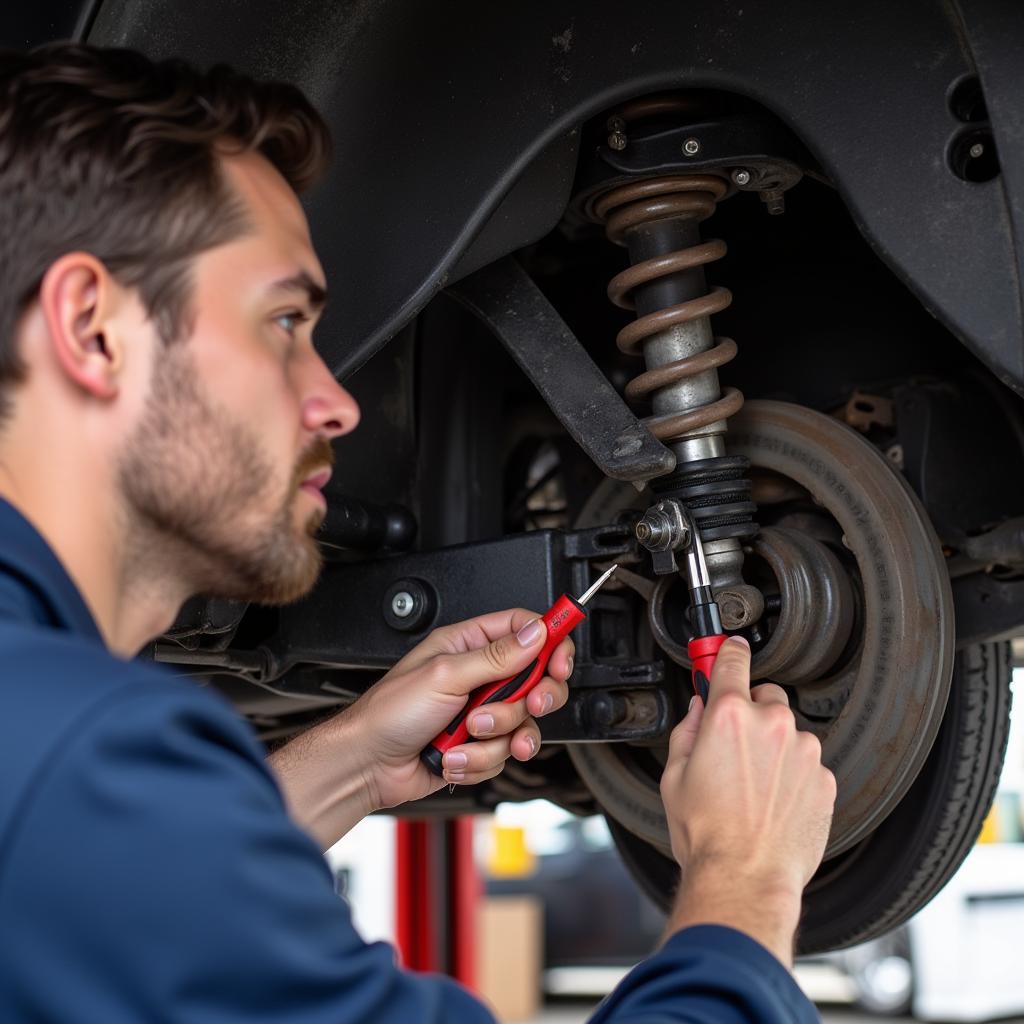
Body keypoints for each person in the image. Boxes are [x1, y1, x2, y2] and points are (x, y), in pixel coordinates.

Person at [0, 42, 836, 1023]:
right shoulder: (84, 757)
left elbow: (96, 896)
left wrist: (350, 758)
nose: (335, 403)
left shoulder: (51, 764)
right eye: (282, 324)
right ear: (94, 329)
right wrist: (742, 882)